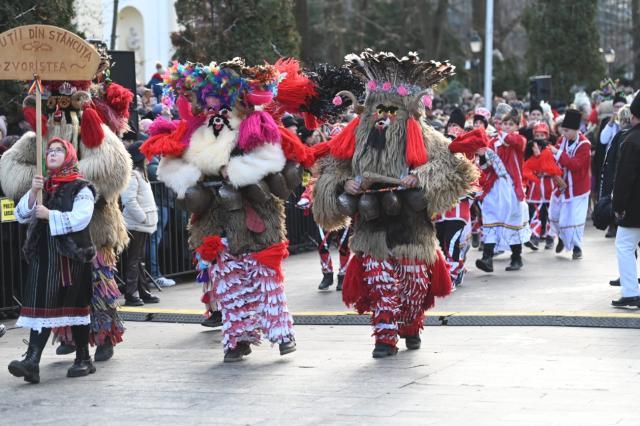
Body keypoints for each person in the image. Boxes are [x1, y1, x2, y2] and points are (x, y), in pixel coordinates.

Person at [313, 50, 477, 358]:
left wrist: (421, 176)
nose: (383, 116)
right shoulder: (357, 135)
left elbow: (456, 167)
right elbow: (330, 169)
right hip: (371, 225)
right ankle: (384, 337)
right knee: (380, 282)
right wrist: (342, 184)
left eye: (391, 110)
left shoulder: (424, 135)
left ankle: (412, 323)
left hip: (412, 226)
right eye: (378, 109)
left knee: (413, 283)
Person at [8, 138, 97, 383]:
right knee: (40, 308)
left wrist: (50, 215)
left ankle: (83, 358)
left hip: (70, 257)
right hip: (44, 257)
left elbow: (81, 218)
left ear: (68, 156)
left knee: (75, 308)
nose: (52, 153)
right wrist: (34, 191)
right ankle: (32, 361)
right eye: (50, 150)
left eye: (59, 150)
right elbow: (21, 215)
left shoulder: (82, 187)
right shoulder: (43, 185)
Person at [476, 105, 530, 272]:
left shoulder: (519, 140)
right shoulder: (492, 142)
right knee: (490, 218)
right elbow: (486, 167)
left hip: (512, 187)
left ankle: (516, 257)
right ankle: (487, 258)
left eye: (510, 124)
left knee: (513, 220)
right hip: (495, 186)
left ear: (517, 126)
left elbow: (514, 141)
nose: (506, 127)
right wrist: (482, 155)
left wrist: (502, 135)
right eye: (504, 124)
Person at [120, 142, 160, 306]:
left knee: (138, 259)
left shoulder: (140, 174)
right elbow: (128, 200)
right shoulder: (134, 175)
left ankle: (143, 292)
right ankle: (131, 294)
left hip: (140, 224)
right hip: (136, 224)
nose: (149, 157)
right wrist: (143, 218)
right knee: (134, 259)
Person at [549, 109, 591, 260]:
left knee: (574, 219)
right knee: (554, 215)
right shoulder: (562, 140)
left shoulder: (585, 145)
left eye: (567, 130)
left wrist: (557, 153)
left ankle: (577, 248)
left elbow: (575, 165)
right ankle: (561, 237)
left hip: (578, 189)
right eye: (563, 130)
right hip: (561, 187)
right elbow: (553, 160)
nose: (563, 133)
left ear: (576, 130)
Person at [611, 93, 640, 307]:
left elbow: (623, 179)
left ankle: (631, 292)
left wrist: (618, 206)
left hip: (634, 208)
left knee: (624, 245)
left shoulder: (630, 140)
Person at [523, 123, 562, 250]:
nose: (539, 138)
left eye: (542, 135)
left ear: (547, 136)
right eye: (537, 135)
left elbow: (555, 165)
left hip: (549, 184)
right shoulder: (530, 148)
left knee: (551, 213)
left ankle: (550, 237)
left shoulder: (550, 148)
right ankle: (534, 236)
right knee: (535, 212)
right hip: (536, 186)